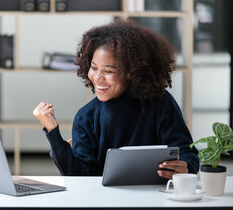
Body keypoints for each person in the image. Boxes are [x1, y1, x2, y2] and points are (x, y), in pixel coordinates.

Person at [33, 19, 199, 178]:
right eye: (93, 67)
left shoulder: (161, 103)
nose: (97, 77)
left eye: (108, 71)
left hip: (155, 197)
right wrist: (52, 131)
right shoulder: (86, 117)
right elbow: (79, 176)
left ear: (131, 72)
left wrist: (185, 166)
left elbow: (187, 153)